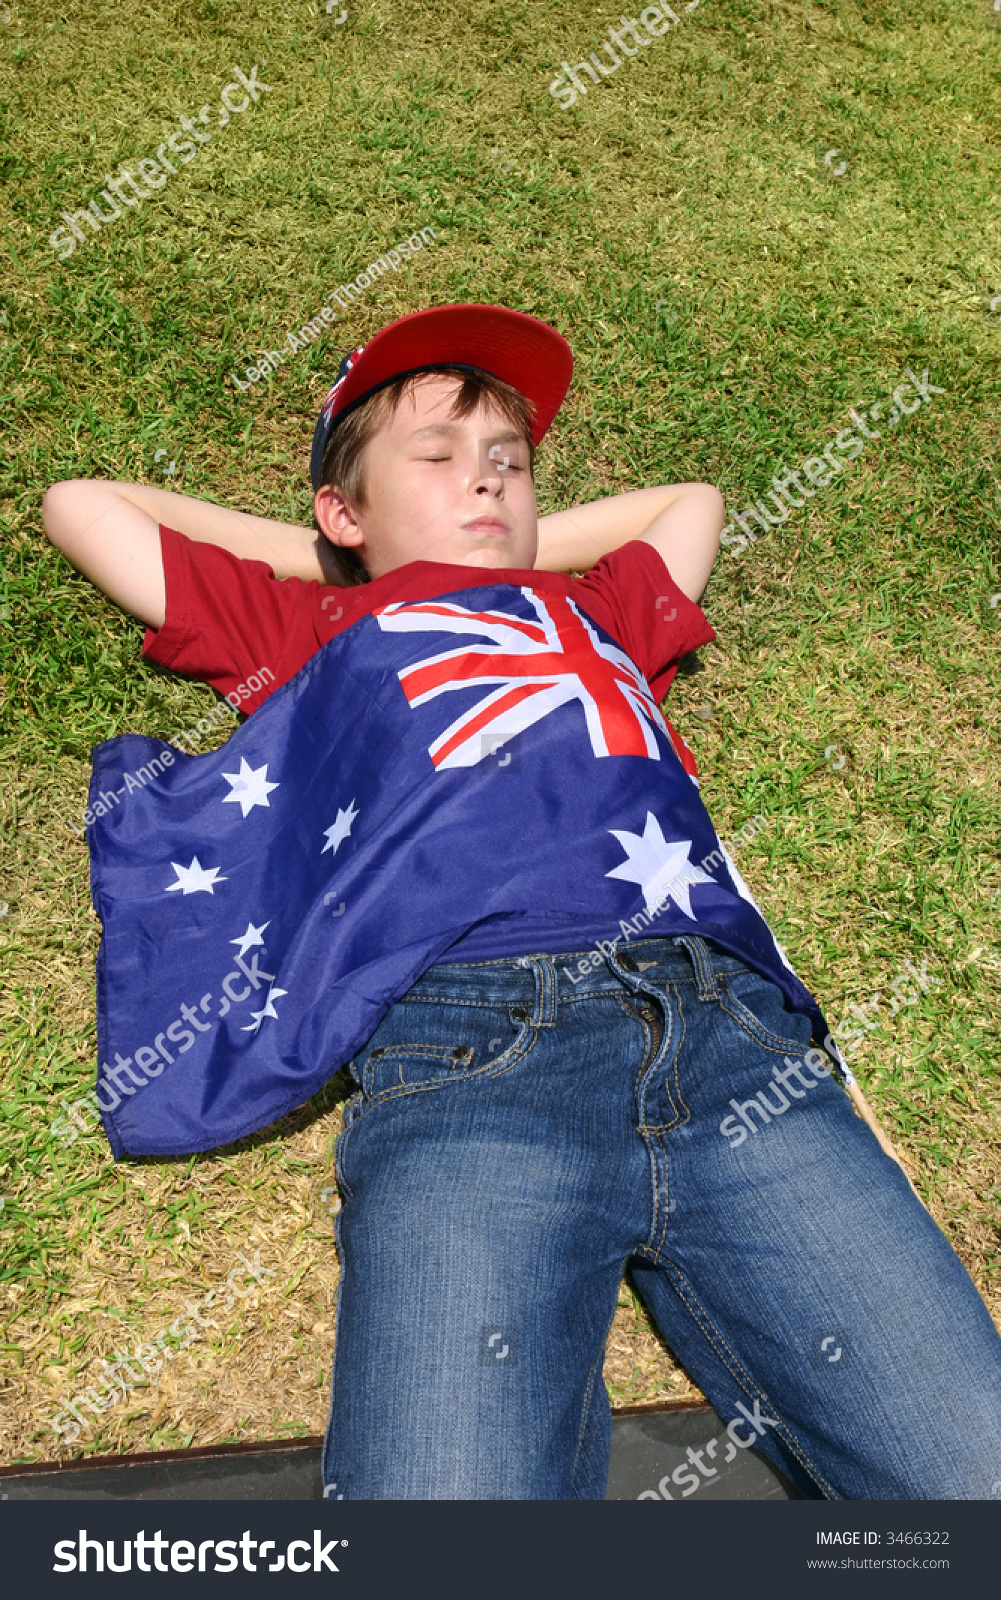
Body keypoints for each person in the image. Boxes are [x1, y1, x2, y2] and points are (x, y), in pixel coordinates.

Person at [43, 303, 1001, 1501]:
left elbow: (689, 500)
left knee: (972, 1482)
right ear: (340, 511)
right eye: (437, 459)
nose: (485, 481)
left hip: (733, 1043)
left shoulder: (595, 617)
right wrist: (339, 552)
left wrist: (465, 529)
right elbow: (82, 504)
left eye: (510, 462)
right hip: (473, 1051)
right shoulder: (304, 625)